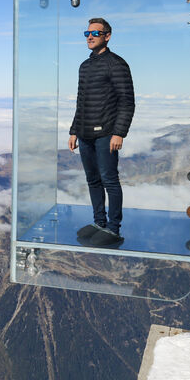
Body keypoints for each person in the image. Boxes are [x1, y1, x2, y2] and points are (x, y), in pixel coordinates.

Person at [69, 18, 135, 246]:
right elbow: (81, 102)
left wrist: (119, 133)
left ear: (107, 36)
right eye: (87, 32)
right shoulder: (84, 66)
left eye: (95, 33)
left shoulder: (116, 64)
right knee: (93, 179)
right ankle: (99, 222)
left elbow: (127, 102)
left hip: (107, 133)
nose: (90, 36)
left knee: (109, 180)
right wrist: (74, 130)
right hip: (85, 133)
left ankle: (113, 228)